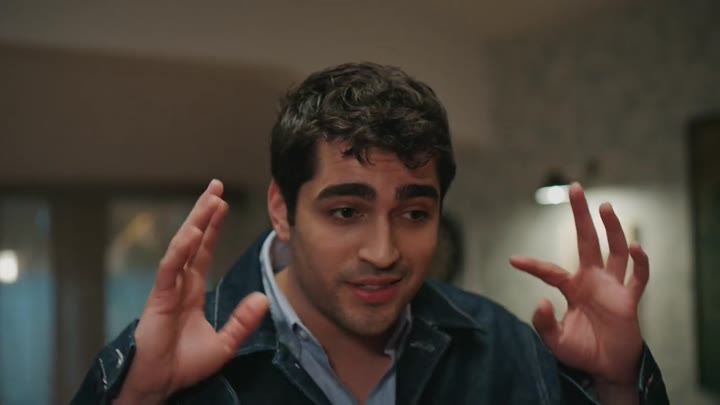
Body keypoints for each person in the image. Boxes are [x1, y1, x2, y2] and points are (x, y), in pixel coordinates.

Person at [72, 62, 669, 404]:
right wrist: (138, 397)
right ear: (281, 209)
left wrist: (617, 383)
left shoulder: (502, 347)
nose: (384, 253)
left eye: (414, 214)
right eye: (345, 212)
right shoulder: (172, 357)